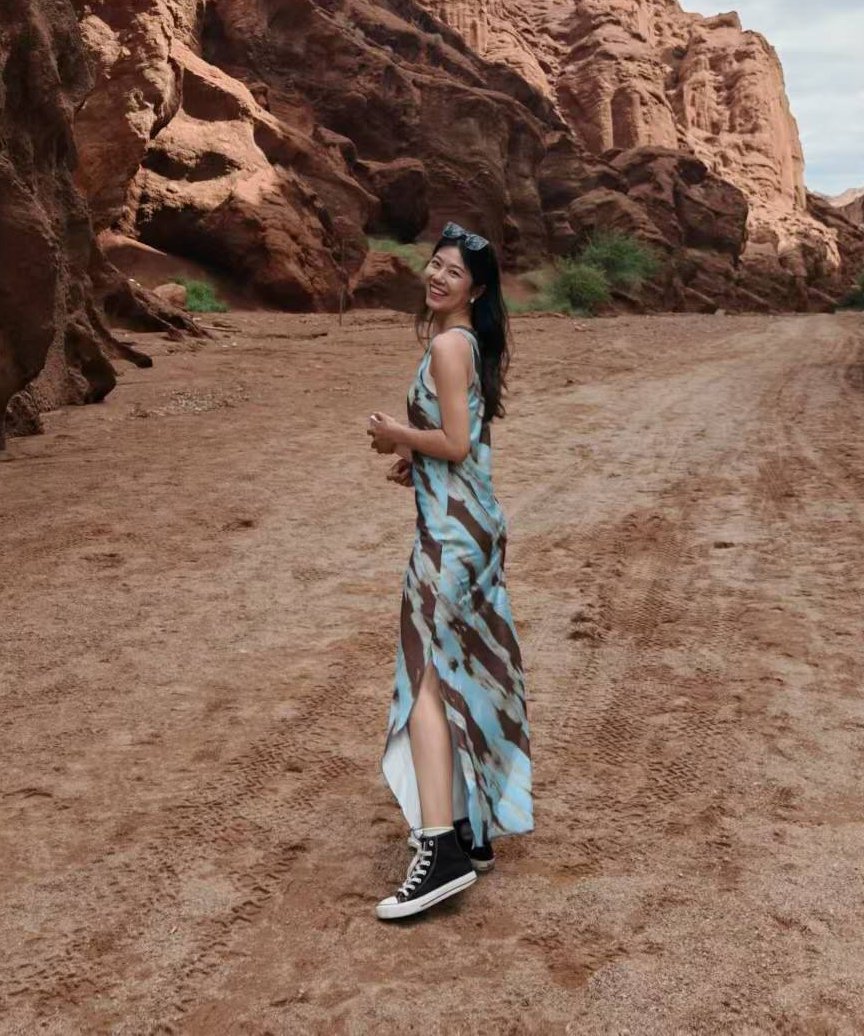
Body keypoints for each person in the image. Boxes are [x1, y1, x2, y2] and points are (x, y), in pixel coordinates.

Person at [366, 221, 533, 921]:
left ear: (477, 290)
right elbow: (464, 439)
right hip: (471, 525)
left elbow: (459, 442)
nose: (436, 277)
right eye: (434, 265)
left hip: (450, 538)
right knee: (461, 668)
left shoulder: (446, 345)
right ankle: (469, 827)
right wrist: (417, 458)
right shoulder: (466, 343)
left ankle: (441, 851)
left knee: (426, 681)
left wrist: (397, 435)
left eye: (453, 273)